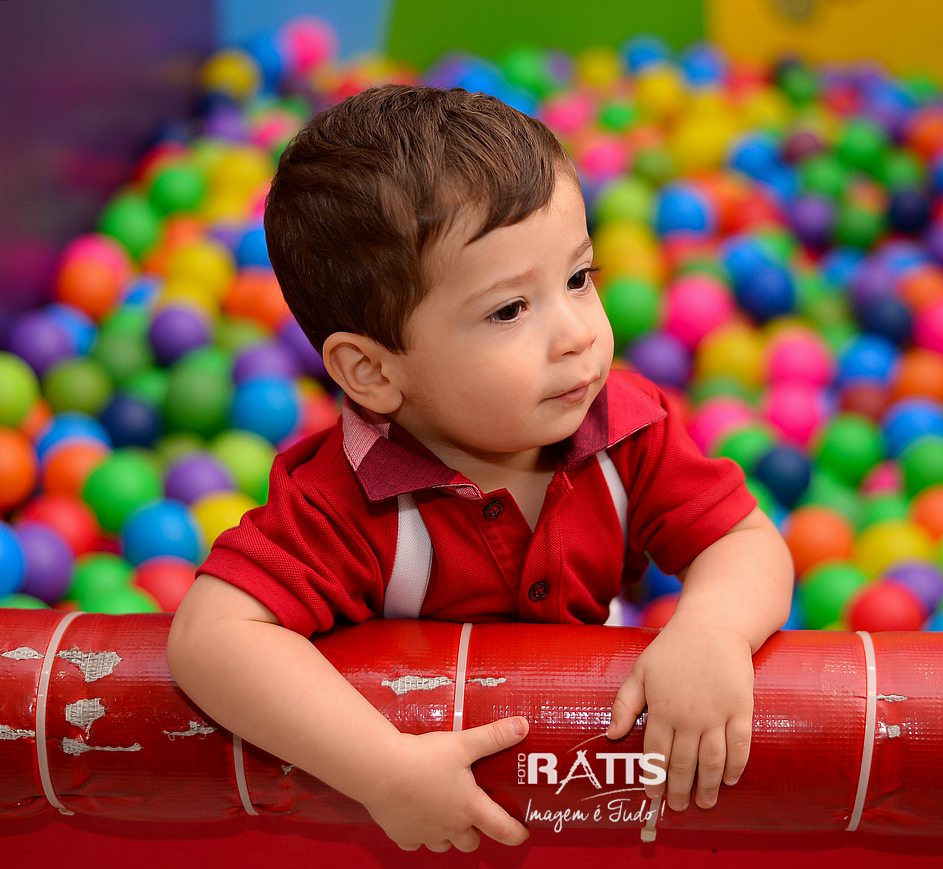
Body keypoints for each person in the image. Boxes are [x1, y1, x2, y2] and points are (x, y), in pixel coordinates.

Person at [167, 84, 793, 854]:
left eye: (578, 278)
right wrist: (383, 768)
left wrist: (713, 629)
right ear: (372, 371)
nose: (576, 334)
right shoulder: (346, 501)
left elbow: (744, 539)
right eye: (508, 311)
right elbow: (210, 636)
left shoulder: (625, 429)